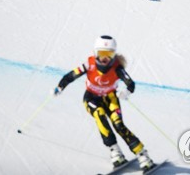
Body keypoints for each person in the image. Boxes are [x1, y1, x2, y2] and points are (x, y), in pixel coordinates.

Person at [52, 35, 155, 171]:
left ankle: (142, 155)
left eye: (109, 54)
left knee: (118, 125)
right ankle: (115, 151)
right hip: (91, 98)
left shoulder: (117, 68)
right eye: (101, 54)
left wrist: (127, 92)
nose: (105, 59)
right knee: (100, 116)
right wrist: (60, 87)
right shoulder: (89, 65)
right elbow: (70, 76)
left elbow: (131, 83)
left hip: (110, 99)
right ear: (95, 53)